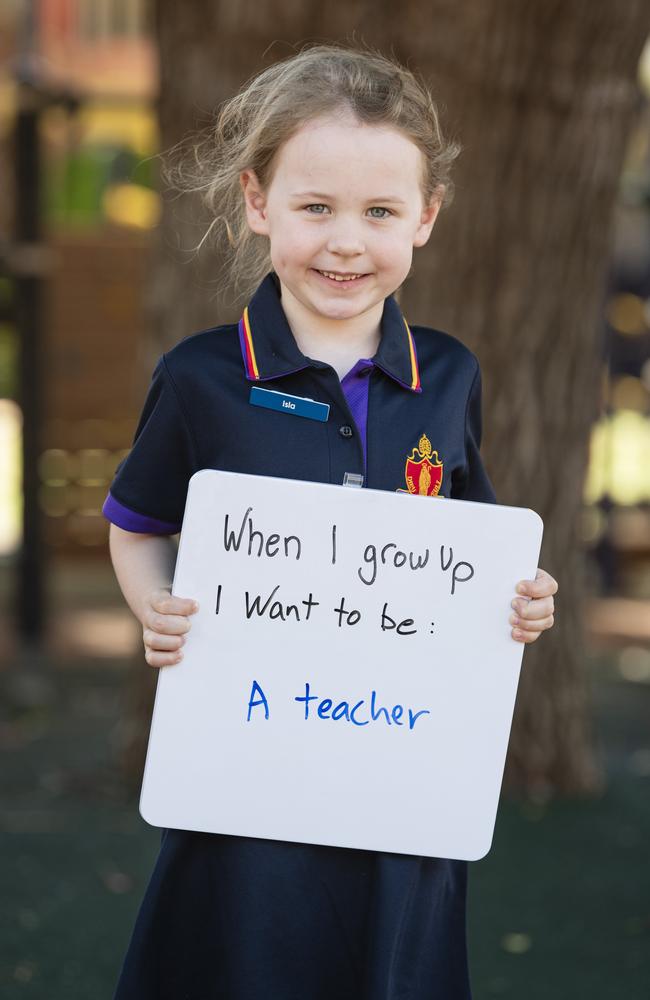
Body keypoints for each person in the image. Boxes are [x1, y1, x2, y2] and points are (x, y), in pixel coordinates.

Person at [103, 43, 558, 1000]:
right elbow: (138, 521)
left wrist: (522, 602)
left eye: (380, 212)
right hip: (247, 775)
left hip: (404, 774)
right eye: (315, 207)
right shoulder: (199, 378)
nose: (346, 242)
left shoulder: (451, 376)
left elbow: (474, 546)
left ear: (425, 218)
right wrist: (154, 607)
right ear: (257, 201)